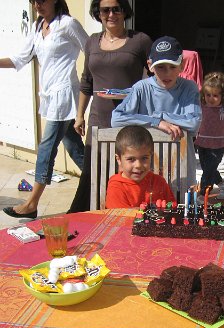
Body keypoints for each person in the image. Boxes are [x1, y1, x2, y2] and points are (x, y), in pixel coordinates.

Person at [1, 0, 88, 219]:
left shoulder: (68, 24)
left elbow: (91, 51)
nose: (37, 5)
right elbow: (20, 58)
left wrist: (88, 85)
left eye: (42, 0)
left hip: (65, 94)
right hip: (50, 96)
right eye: (33, 1)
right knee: (74, 147)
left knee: (46, 148)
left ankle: (32, 203)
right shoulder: (37, 26)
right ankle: (105, 183)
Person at [68, 0, 152, 213]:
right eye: (105, 10)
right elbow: (86, 82)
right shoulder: (92, 42)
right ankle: (91, 216)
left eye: (116, 9)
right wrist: (80, 115)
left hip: (129, 119)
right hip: (99, 118)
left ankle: (125, 215)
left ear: (124, 11)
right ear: (98, 13)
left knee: (127, 170)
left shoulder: (140, 41)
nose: (111, 14)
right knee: (93, 172)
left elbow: (156, 76)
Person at [111, 36, 202, 187]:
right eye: (161, 67)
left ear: (182, 65)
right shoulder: (141, 88)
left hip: (181, 168)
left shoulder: (189, 87)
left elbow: (193, 123)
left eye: (172, 66)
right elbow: (116, 118)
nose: (167, 73)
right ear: (150, 65)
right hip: (147, 170)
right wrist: (156, 122)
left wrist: (160, 116)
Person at [105, 126, 176, 208]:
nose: (138, 165)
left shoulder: (159, 182)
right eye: (131, 159)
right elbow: (119, 215)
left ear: (151, 156)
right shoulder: (117, 187)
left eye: (144, 158)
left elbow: (173, 208)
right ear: (119, 159)